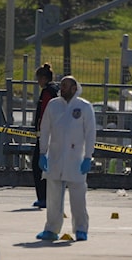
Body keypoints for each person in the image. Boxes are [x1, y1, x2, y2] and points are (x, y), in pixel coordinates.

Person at [35, 75, 96, 242]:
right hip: (54, 158)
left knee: (78, 199)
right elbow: (45, 129)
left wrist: (88, 157)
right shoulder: (53, 105)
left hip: (76, 160)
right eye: (61, 85)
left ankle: (81, 229)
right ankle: (51, 229)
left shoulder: (84, 107)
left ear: (74, 88)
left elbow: (90, 134)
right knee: (53, 198)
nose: (62, 89)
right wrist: (43, 153)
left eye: (66, 86)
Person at [31, 63, 60, 209]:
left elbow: (45, 114)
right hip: (55, 134)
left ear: (43, 78)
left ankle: (43, 197)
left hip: (46, 135)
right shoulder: (56, 90)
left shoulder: (47, 92)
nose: (37, 82)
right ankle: (49, 197)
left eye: (38, 79)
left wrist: (41, 132)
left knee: (38, 166)